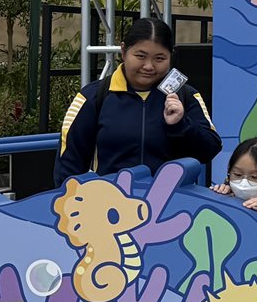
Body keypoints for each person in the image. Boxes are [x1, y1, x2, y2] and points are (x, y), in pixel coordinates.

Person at [54, 18, 223, 180]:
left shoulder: (186, 96)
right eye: (140, 56)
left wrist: (181, 124)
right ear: (124, 51)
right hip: (112, 198)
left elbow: (210, 149)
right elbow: (69, 163)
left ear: (171, 57)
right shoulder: (93, 96)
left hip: (173, 198)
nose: (149, 66)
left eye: (159, 58)